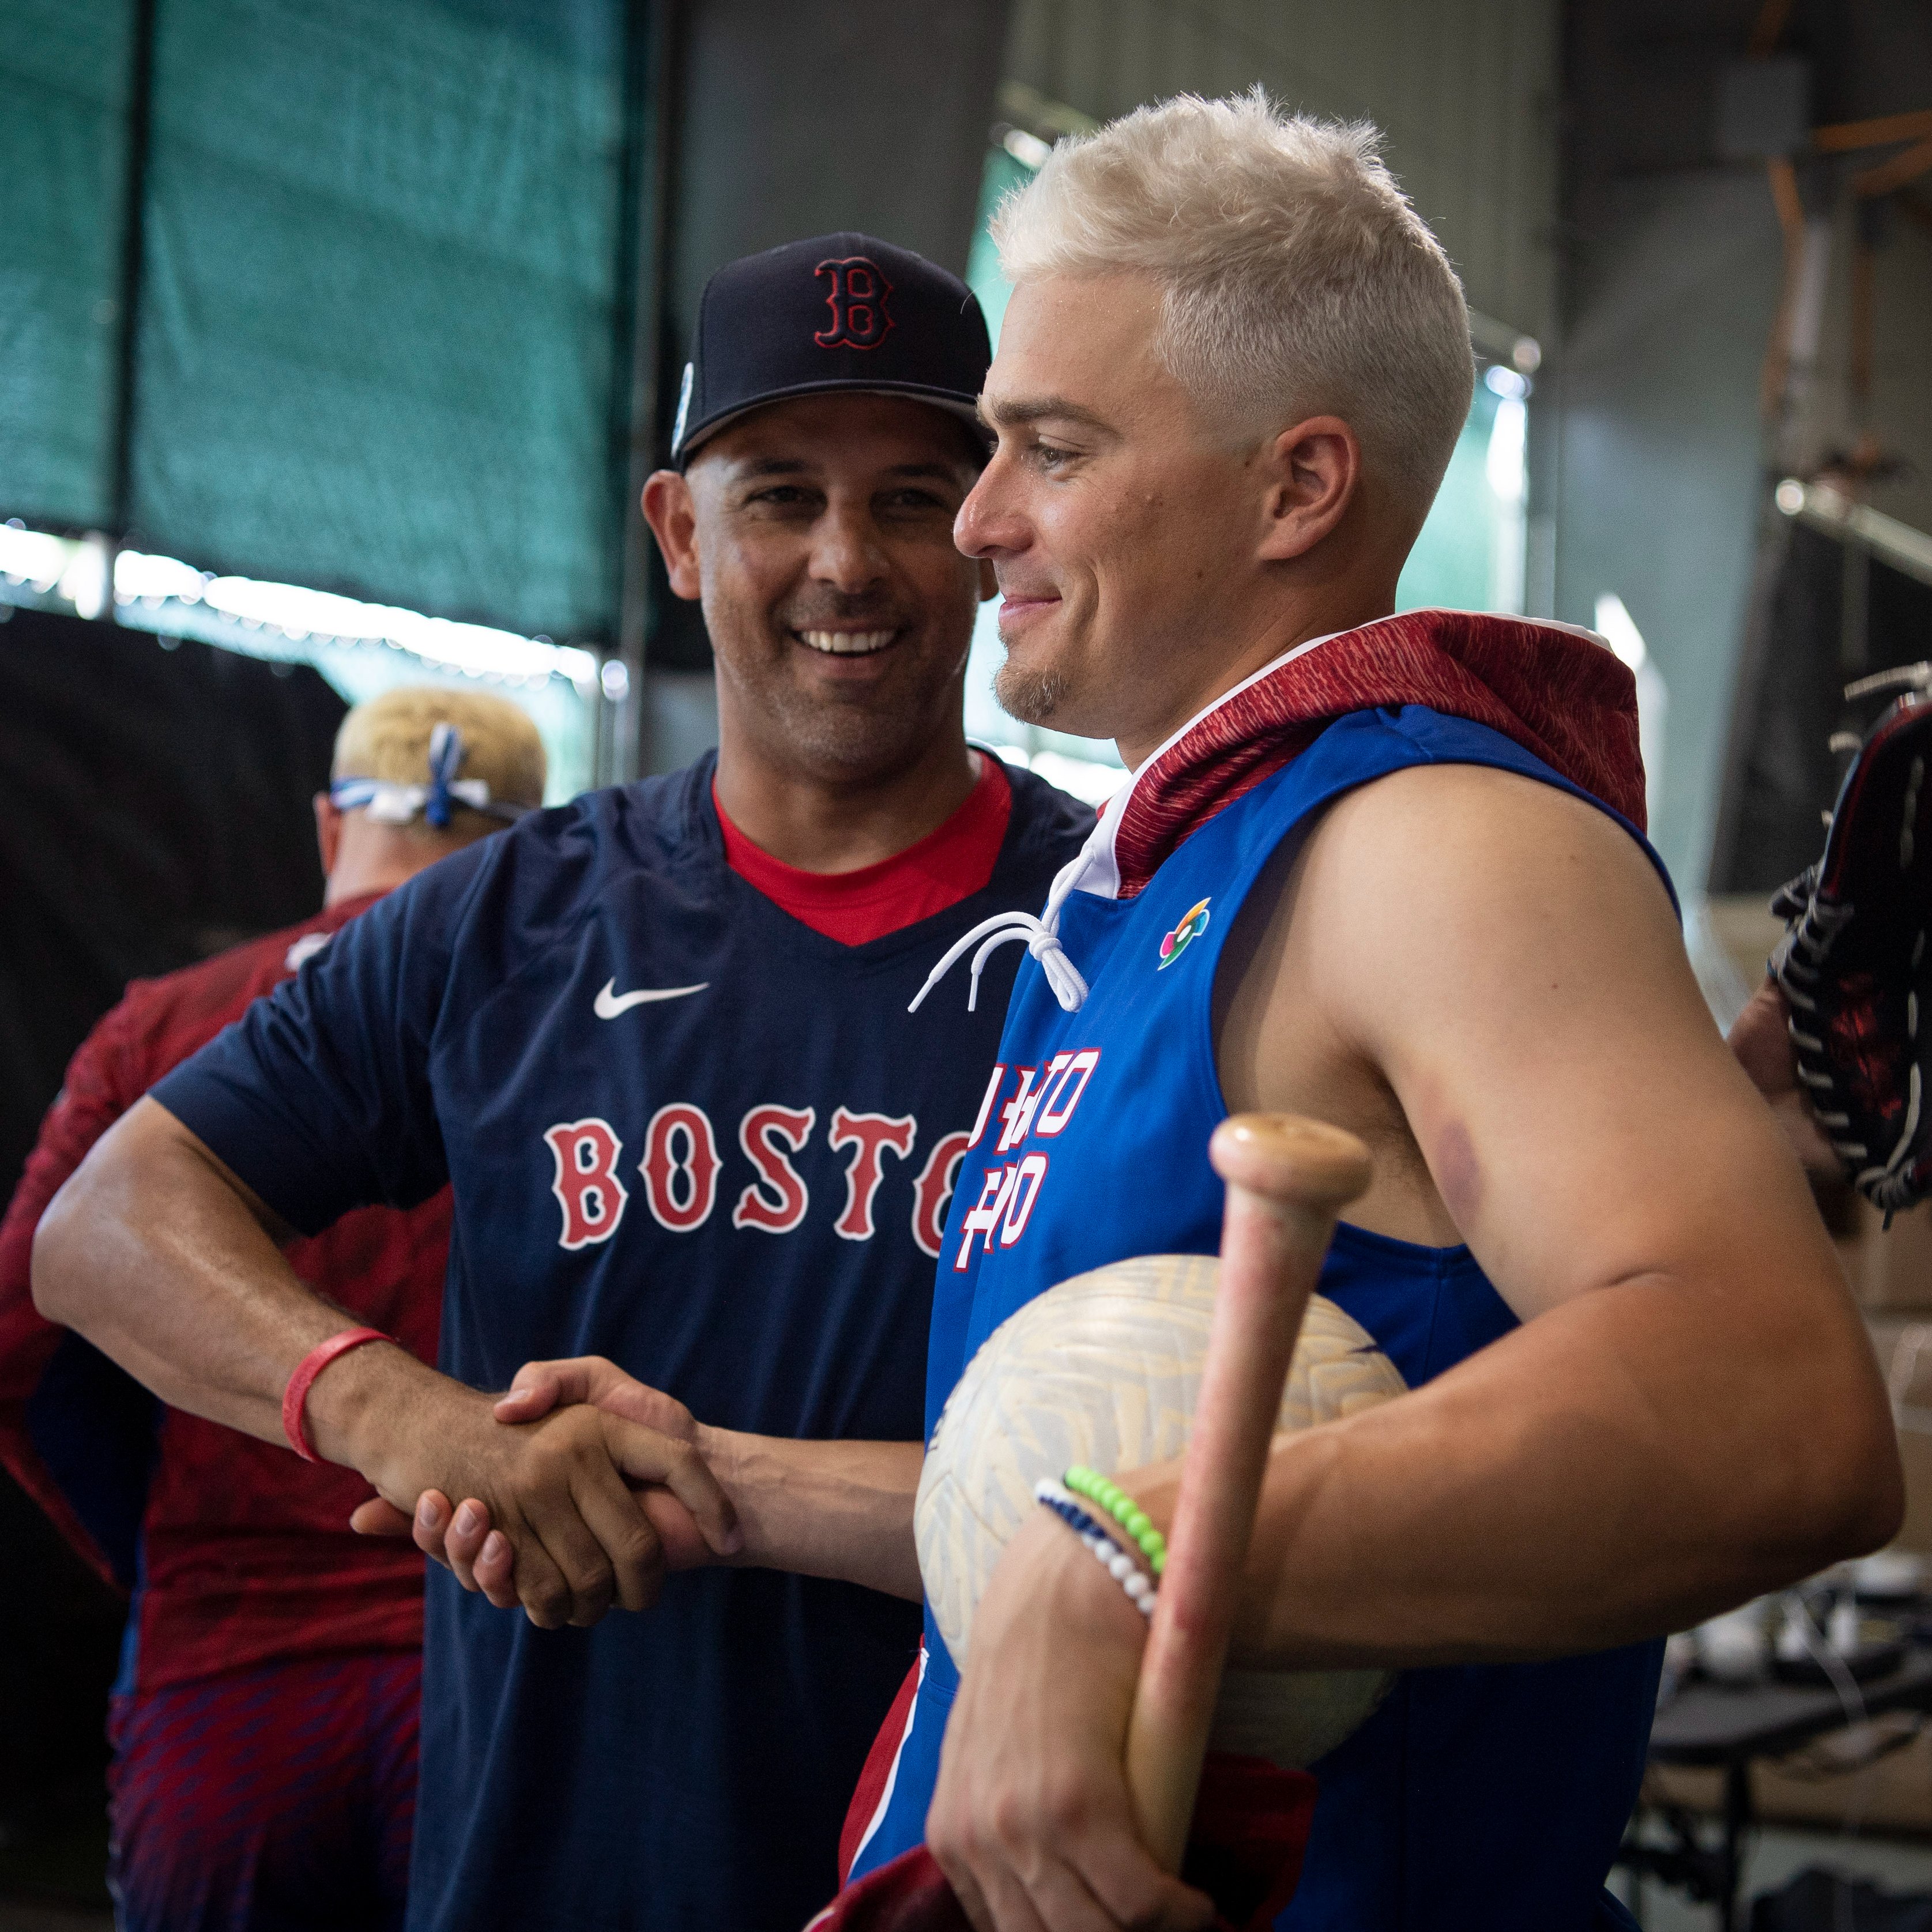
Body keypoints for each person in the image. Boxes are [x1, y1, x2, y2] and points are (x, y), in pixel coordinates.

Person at [428, 98, 1901, 1931]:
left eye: (1049, 451)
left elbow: (1775, 1412)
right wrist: (727, 1485)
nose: (974, 524)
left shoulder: (1429, 845)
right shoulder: (1157, 890)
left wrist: (1122, 1560)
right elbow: (1106, 1477)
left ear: (1298, 488)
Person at [31, 234, 1095, 1932]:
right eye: (778, 498)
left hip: (957, 1878)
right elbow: (104, 1223)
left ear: (984, 535)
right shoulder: (513, 920)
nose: (846, 562)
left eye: (909, 497)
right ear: (680, 532)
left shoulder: (1116, 930)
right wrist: (409, 1417)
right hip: (545, 1869)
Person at [0, 686, 544, 1932]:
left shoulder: (167, 1025)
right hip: (497, 1657)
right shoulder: (582, 1037)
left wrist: (164, 1551)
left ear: (324, 822)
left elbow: (24, 1341)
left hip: (225, 1672)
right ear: (540, 842)